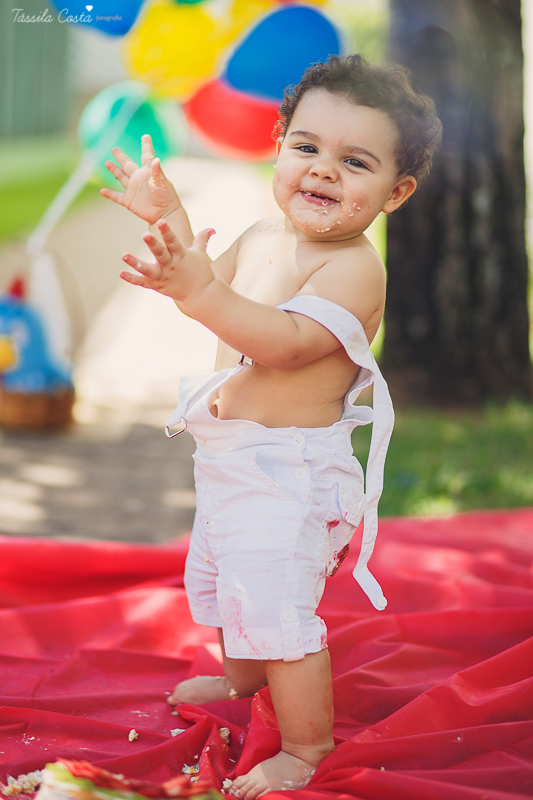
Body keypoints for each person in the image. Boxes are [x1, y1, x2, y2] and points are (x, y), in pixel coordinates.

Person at [101, 54, 442, 800]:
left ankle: (305, 744)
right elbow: (210, 281)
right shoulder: (263, 234)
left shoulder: (354, 269)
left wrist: (197, 296)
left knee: (276, 606)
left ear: (396, 191)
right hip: (234, 460)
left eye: (355, 162)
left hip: (292, 475)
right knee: (226, 583)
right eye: (308, 148)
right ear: (278, 141)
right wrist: (168, 217)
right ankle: (240, 678)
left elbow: (280, 341)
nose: (323, 171)